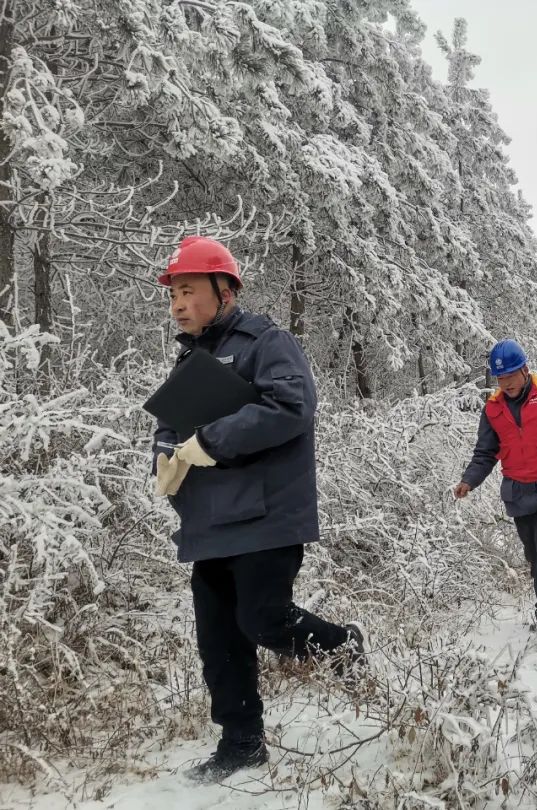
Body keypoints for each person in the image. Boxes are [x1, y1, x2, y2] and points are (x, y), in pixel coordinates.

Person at [151, 236, 364, 782]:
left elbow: (291, 407)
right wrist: (164, 456)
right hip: (209, 522)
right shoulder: (189, 359)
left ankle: (345, 646)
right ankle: (241, 743)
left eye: (188, 290)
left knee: (261, 618)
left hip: (267, 516)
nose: (177, 303)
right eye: (173, 293)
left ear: (224, 291)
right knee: (217, 637)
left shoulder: (267, 341)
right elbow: (169, 424)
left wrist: (210, 443)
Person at [453, 339, 537, 630]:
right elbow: (485, 452)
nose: (505, 383)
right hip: (518, 492)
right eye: (500, 378)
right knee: (533, 552)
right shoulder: (492, 409)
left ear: (525, 370)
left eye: (510, 375)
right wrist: (469, 480)